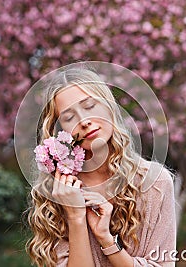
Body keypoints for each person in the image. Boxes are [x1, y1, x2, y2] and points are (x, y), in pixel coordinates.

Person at [24, 65, 177, 267]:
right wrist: (76, 217)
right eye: (69, 117)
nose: (84, 121)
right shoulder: (57, 193)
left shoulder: (155, 182)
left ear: (109, 107)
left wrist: (106, 240)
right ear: (61, 133)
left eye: (89, 106)